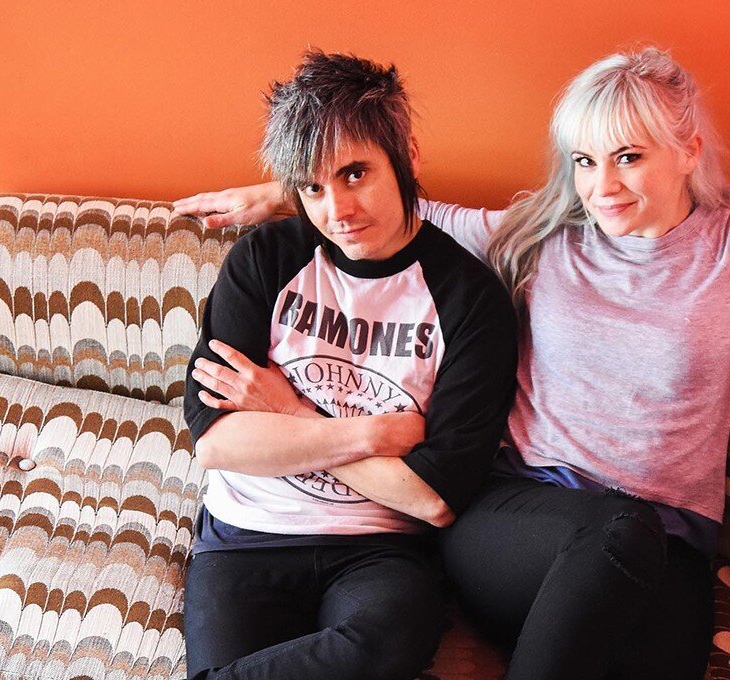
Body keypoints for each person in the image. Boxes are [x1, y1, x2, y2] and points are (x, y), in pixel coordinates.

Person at [175, 47, 730, 679]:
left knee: (660, 637)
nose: (603, 187)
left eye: (629, 157)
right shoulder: (541, 238)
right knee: (618, 533)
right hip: (515, 526)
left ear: (689, 150)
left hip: (666, 545)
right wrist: (284, 189)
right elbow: (390, 215)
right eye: (585, 161)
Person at [181, 49, 517, 680]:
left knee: (390, 639)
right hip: (246, 535)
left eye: (355, 174)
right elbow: (218, 443)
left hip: (380, 549)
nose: (336, 210)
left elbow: (433, 499)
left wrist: (285, 410)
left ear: (407, 155)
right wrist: (371, 434)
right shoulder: (265, 260)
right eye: (312, 187)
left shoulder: (470, 299)